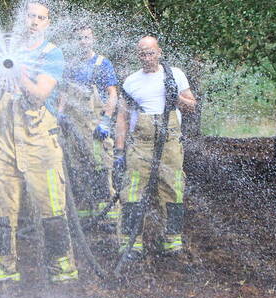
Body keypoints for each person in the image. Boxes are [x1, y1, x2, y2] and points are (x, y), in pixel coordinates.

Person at [0, 0, 78, 284]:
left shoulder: (52, 54)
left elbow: (39, 94)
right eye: (30, 16)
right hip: (2, 136)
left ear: (47, 24)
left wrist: (18, 73)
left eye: (41, 17)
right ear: (21, 19)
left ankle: (62, 271)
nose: (35, 21)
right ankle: (2, 272)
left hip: (39, 137)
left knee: (50, 207)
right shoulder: (4, 51)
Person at [115, 36, 197, 260]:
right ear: (138, 55)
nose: (147, 57)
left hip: (170, 141)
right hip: (140, 143)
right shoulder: (130, 81)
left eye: (151, 52)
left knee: (173, 187)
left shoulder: (175, 75)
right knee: (132, 190)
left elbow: (192, 106)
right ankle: (131, 243)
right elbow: (122, 117)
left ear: (159, 52)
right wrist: (119, 151)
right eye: (143, 53)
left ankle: (171, 241)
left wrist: (177, 99)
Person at [63, 25, 120, 230]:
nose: (83, 42)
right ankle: (84, 216)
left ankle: (107, 216)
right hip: (74, 125)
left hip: (95, 126)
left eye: (87, 37)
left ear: (93, 39)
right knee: (78, 168)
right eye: (79, 38)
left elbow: (112, 93)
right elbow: (65, 93)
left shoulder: (102, 64)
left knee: (100, 168)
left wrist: (106, 120)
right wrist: (61, 115)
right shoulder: (70, 65)